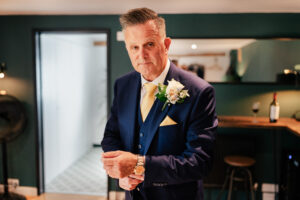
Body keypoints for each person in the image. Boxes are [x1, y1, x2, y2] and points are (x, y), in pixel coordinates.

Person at [101, 7, 218, 200]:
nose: (142, 55)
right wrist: (120, 174)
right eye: (134, 47)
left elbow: (200, 161)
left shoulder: (199, 91)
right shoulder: (122, 85)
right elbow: (111, 136)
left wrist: (139, 165)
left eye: (149, 44)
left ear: (166, 44)